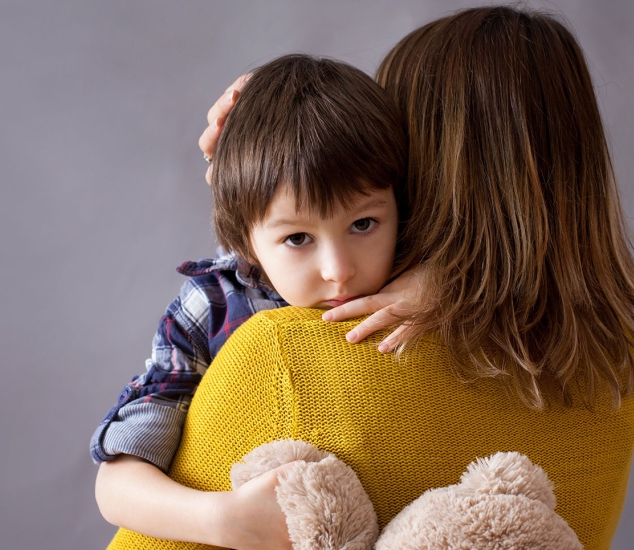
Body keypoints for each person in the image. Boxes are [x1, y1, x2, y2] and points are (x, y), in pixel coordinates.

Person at [103, 6, 634, 550]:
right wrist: (274, 133)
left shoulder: (285, 353)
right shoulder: (611, 378)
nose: (336, 269)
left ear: (415, 170)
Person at [93, 53, 410, 549]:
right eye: (299, 239)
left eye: (363, 225)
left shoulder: (414, 276)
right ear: (244, 240)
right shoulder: (214, 308)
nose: (339, 269)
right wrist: (225, 520)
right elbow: (117, 482)